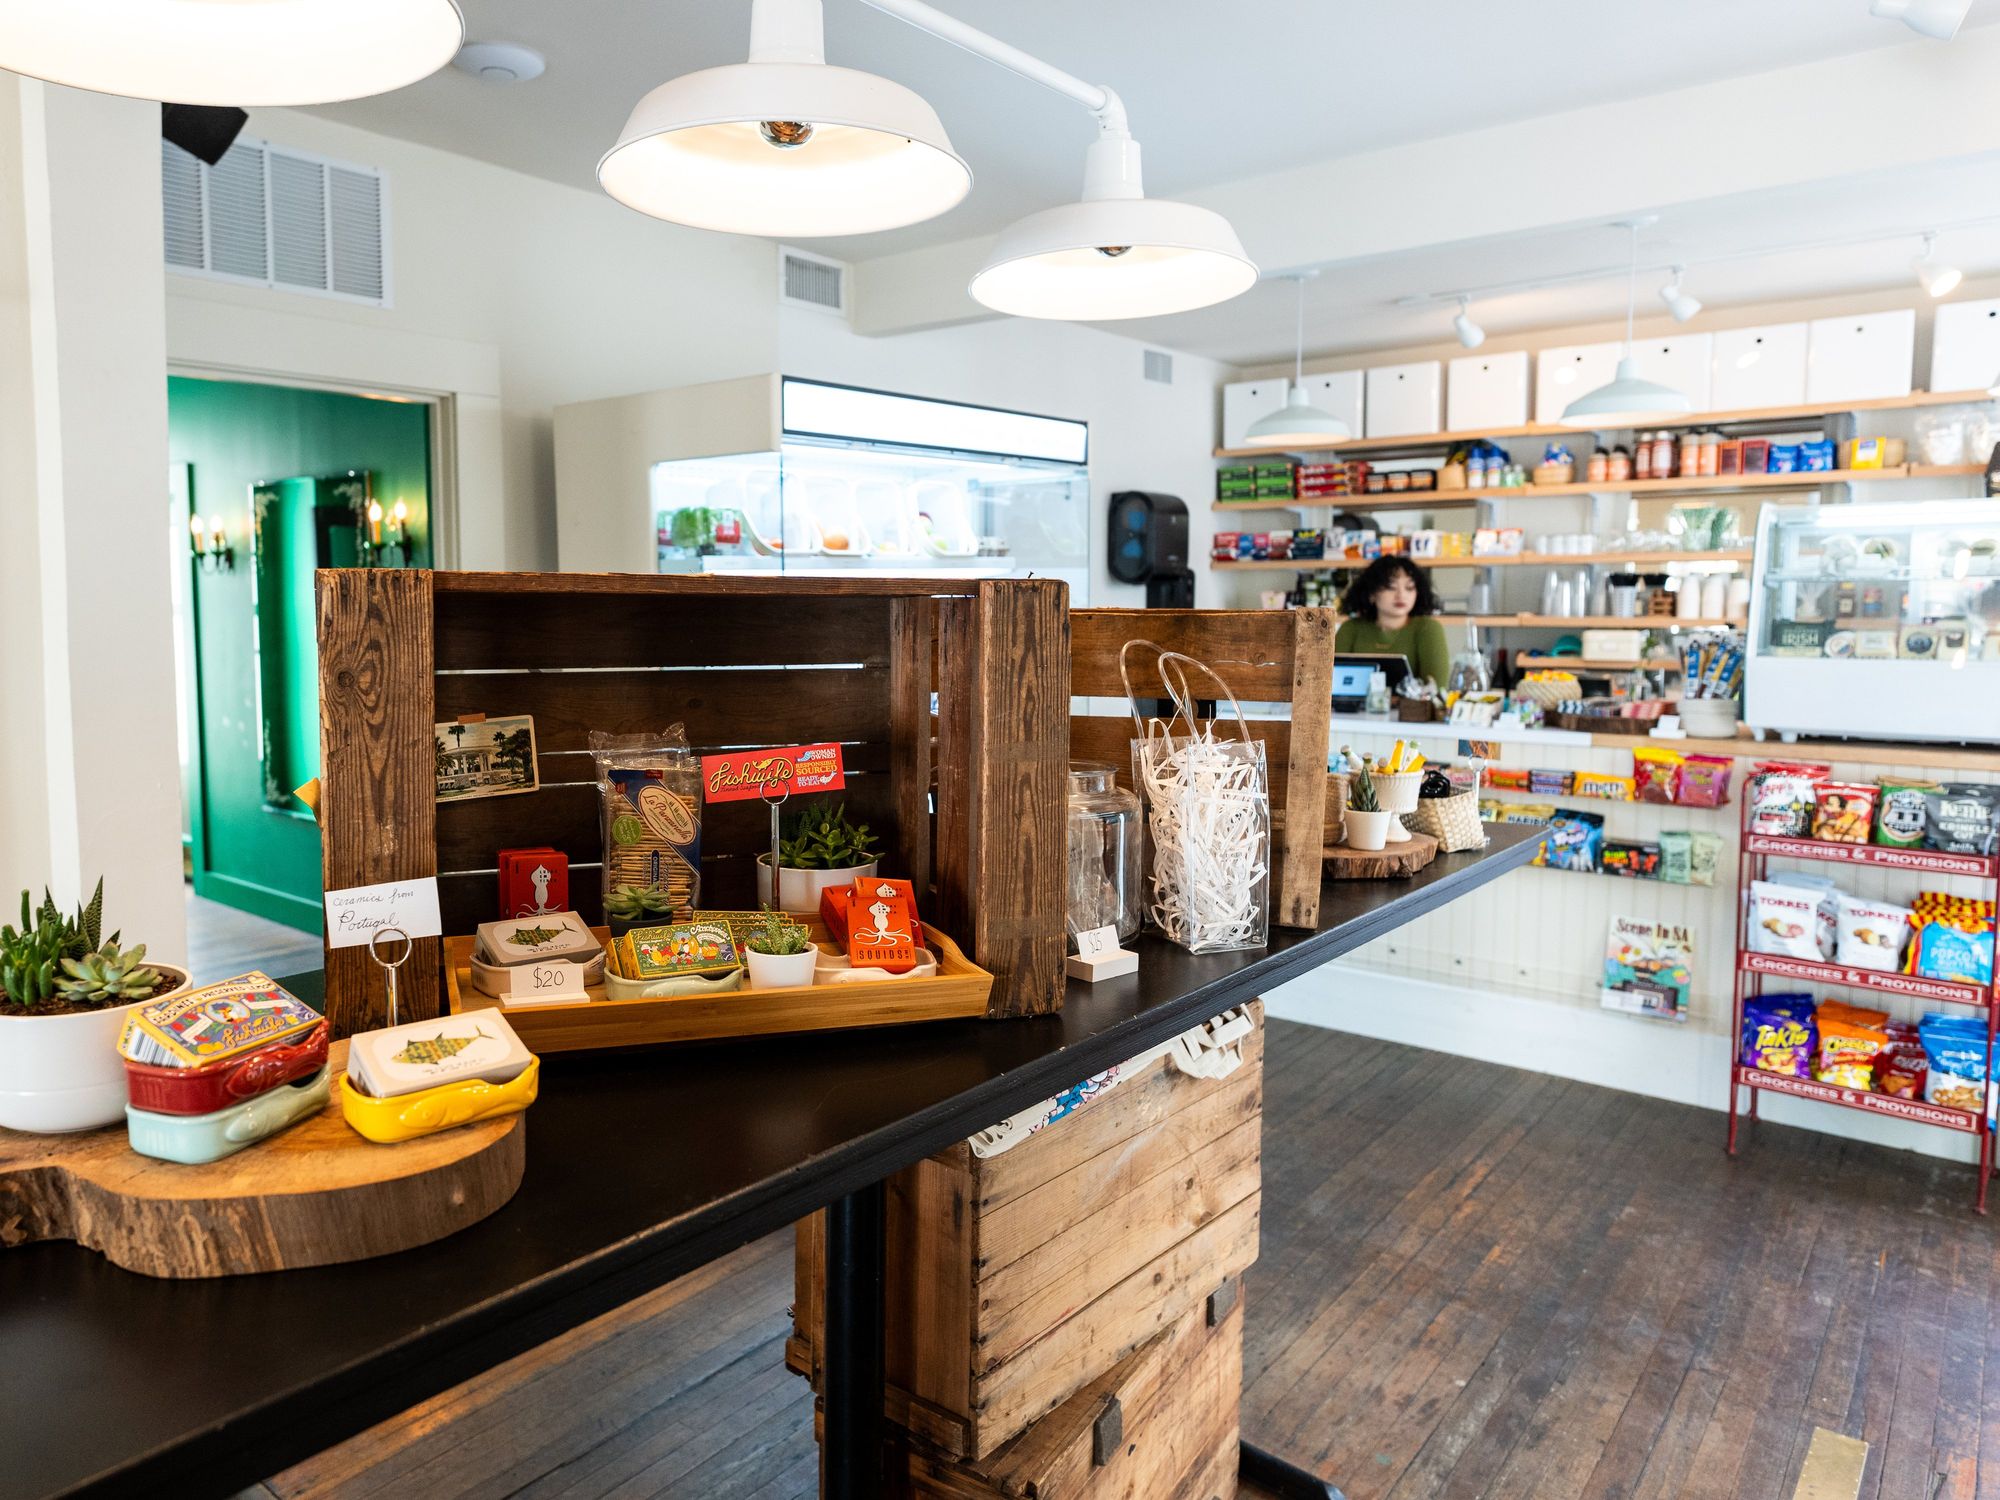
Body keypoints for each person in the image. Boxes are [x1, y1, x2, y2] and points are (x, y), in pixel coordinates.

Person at [1334, 555, 1451, 692]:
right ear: (1371, 593)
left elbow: (1437, 688)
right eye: (1390, 587)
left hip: (1411, 712)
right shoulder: (1351, 628)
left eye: (1409, 587)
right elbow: (1327, 680)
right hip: (1350, 712)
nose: (1401, 595)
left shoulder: (1428, 628)